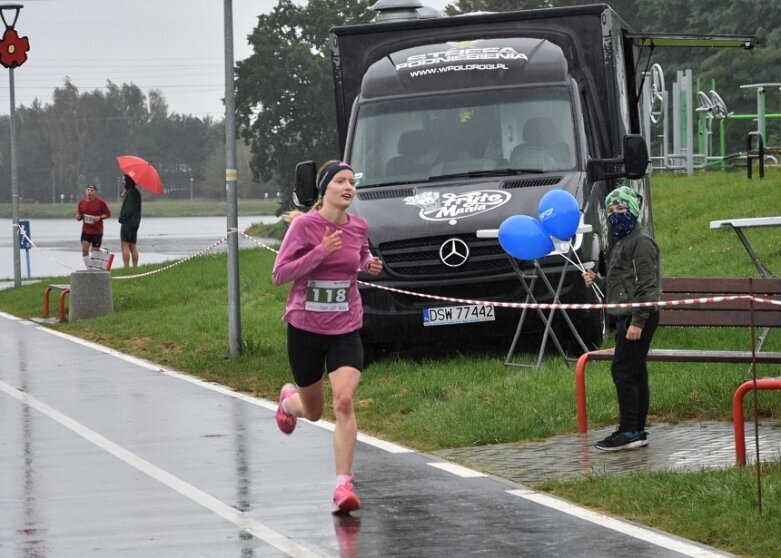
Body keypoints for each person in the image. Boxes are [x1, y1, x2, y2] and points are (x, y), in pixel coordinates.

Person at [271, 160, 383, 513]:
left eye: (352, 182)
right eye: (341, 181)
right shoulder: (305, 226)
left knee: (344, 402)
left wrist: (368, 264)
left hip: (345, 327)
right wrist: (321, 252)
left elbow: (360, 255)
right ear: (325, 190)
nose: (349, 187)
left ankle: (343, 486)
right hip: (305, 328)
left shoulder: (359, 226)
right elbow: (279, 274)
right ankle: (289, 403)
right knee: (315, 412)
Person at [582, 186, 661, 452]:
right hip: (625, 316)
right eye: (612, 210)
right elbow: (621, 283)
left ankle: (629, 430)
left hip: (638, 318)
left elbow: (648, 286)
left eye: (622, 209)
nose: (616, 214)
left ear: (633, 211)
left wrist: (638, 321)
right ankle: (635, 429)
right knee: (634, 372)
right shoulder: (620, 242)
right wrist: (598, 280)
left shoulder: (641, 242)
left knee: (623, 371)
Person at [75, 184, 111, 269]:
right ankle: (89, 269)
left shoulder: (100, 202)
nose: (89, 192)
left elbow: (108, 214)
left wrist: (99, 217)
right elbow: (79, 215)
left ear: (95, 192)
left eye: (92, 190)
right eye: (88, 190)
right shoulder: (82, 202)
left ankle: (103, 251)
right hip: (86, 230)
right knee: (84, 250)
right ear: (85, 191)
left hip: (97, 231)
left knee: (94, 252)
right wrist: (78, 217)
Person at [118, 174, 142, 268]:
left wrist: (121, 218)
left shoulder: (131, 193)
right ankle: (135, 267)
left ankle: (126, 267)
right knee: (132, 245)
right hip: (135, 223)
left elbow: (129, 209)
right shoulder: (135, 192)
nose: (123, 181)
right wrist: (125, 194)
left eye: (124, 180)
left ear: (128, 181)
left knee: (124, 245)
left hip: (128, 222)